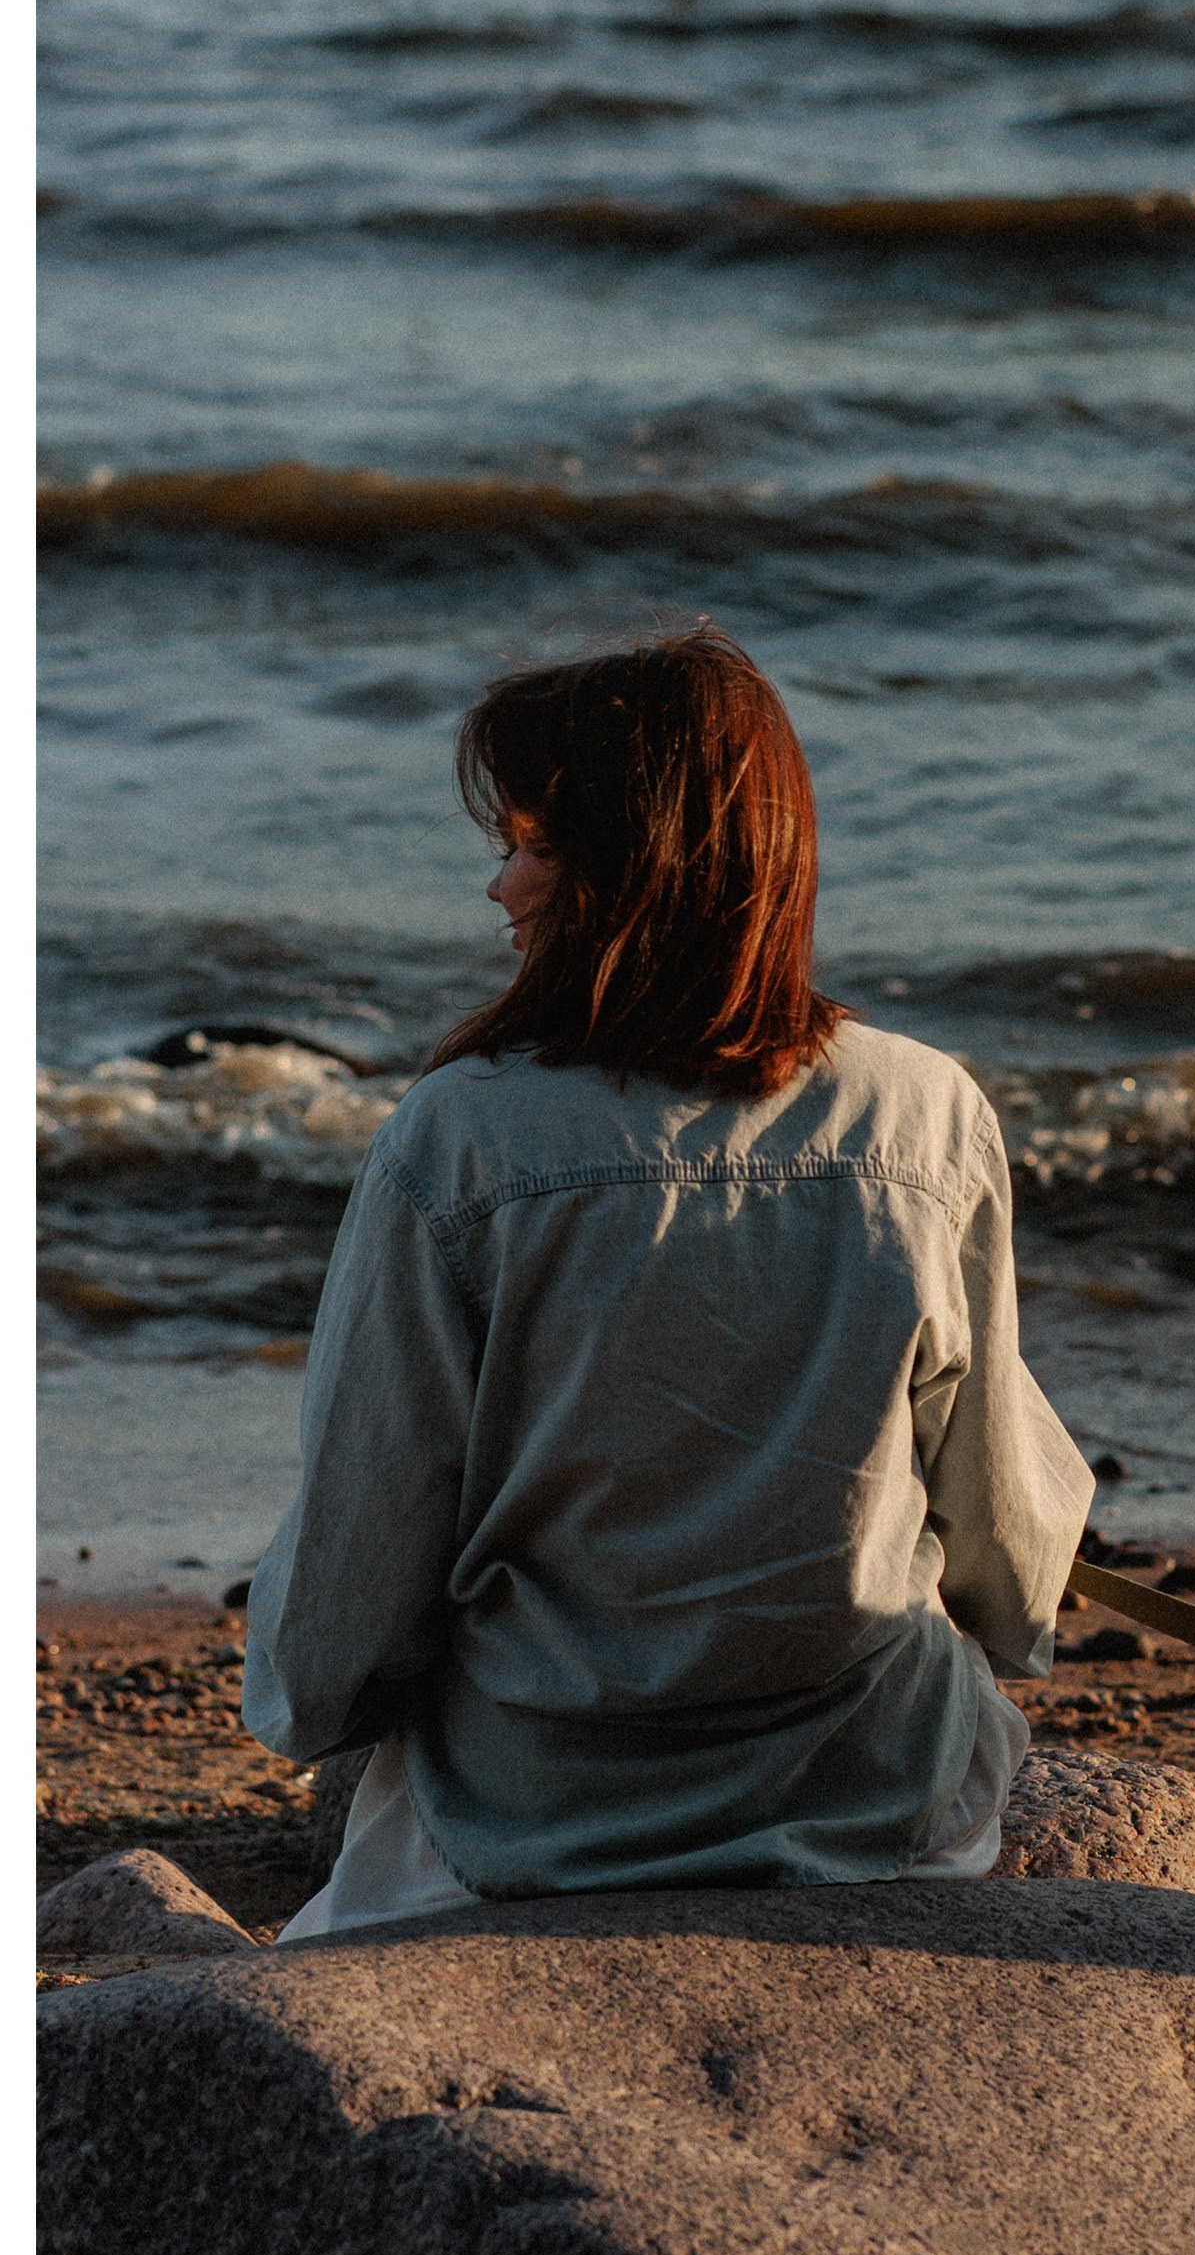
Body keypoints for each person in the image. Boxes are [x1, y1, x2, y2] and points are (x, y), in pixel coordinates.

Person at [247, 626, 1092, 1938]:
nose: (501, 890)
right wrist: (1007, 1625)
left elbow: (374, 1508)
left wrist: (314, 1709)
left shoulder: (461, 1136)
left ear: (625, 872)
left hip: (536, 1806)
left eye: (530, 846)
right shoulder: (923, 1113)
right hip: (877, 1793)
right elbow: (994, 1510)